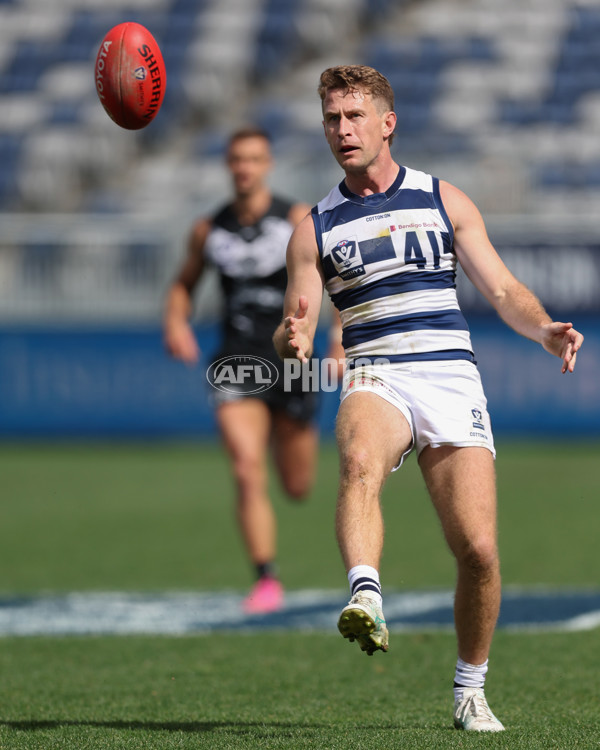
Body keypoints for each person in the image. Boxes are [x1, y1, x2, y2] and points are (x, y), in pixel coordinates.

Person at [273, 65, 583, 731]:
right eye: (332, 118)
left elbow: (501, 290)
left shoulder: (445, 200)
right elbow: (292, 318)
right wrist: (292, 334)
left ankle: (470, 688)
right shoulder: (314, 227)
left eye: (354, 117)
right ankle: (366, 594)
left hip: (449, 377)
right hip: (373, 372)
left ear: (388, 123)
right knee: (358, 462)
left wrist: (544, 329)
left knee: (478, 550)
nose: (342, 130)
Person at [164, 127, 342, 614]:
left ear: (266, 165)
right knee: (246, 467)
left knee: (298, 484)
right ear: (228, 165)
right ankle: (266, 577)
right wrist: (175, 320)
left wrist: (336, 337)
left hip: (294, 360)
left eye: (254, 159)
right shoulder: (209, 229)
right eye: (237, 159)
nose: (245, 167)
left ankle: (285, 439)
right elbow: (183, 284)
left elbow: (337, 282)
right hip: (236, 359)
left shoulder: (297, 218)